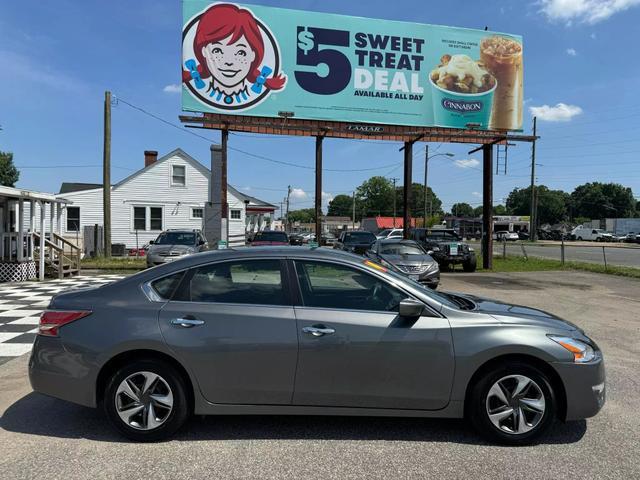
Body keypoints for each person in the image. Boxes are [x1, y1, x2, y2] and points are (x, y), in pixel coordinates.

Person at [183, 3, 286, 106]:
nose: (228, 61)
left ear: (253, 55)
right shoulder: (203, 92)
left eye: (241, 52)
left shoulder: (253, 94)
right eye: (217, 50)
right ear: (204, 51)